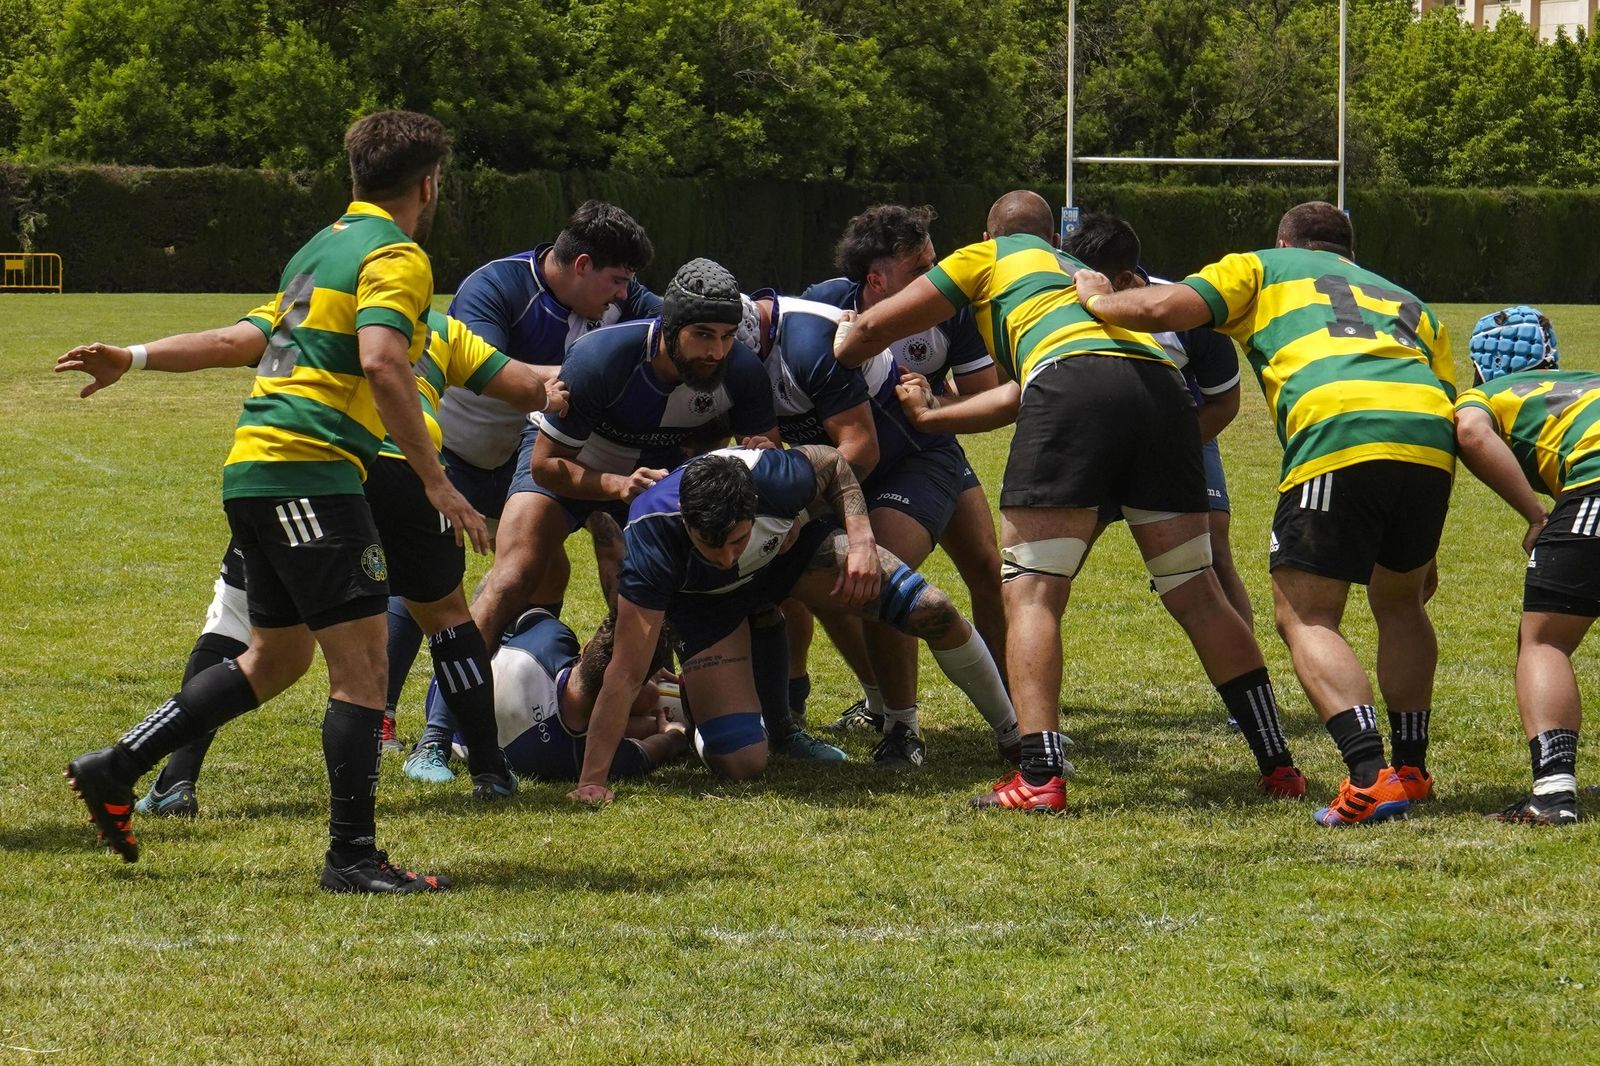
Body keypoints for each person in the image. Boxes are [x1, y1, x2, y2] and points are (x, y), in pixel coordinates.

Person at [63, 110, 478, 892]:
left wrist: (137, 355)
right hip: (311, 472)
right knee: (362, 670)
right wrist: (434, 479)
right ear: (429, 184)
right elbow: (386, 364)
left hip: (257, 470)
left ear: (356, 177)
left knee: (278, 656)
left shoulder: (320, 250)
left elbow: (238, 341)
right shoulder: (396, 253)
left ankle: (115, 767)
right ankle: (351, 857)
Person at [835, 191, 1304, 814]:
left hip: (1073, 390)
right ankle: (1279, 765)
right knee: (1197, 589)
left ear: (987, 232)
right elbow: (1017, 393)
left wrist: (840, 350)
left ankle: (1039, 777)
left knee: (1030, 590)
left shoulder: (987, 258)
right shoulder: (1072, 273)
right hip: (1162, 392)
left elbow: (873, 326)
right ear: (1056, 235)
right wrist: (934, 417)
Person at [57, 306, 563, 813]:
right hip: (404, 473)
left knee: (249, 630)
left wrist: (134, 356)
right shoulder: (437, 326)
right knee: (443, 620)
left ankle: (177, 781)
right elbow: (522, 382)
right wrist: (578, 377)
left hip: (305, 470)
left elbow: (225, 342)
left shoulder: (309, 303)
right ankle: (487, 772)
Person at [1075, 199, 1456, 827]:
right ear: (1349, 252)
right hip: (1429, 439)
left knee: (1306, 613)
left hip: (1341, 426)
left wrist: (1094, 296)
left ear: (1286, 240)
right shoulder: (1405, 297)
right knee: (1402, 602)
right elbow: (1446, 394)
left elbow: (1161, 308)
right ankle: (1411, 770)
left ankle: (1369, 776)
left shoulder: (1261, 265)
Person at [567, 445, 1016, 804]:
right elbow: (624, 672)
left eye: (739, 539)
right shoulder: (651, 536)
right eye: (710, 545)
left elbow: (835, 462)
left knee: (932, 609)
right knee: (741, 761)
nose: (727, 557)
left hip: (788, 561)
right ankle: (692, 706)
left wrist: (860, 541)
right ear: (686, 521)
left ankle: (1016, 735)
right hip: (707, 607)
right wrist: (592, 780)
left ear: (755, 505)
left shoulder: (774, 478)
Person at [382, 202, 658, 748]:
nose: (625, 296)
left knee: (552, 566)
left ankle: (515, 688)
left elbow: (669, 325)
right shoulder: (497, 285)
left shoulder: (623, 293)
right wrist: (595, 371)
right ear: (581, 265)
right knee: (423, 582)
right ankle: (383, 718)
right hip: (459, 458)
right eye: (616, 281)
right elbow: (486, 370)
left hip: (530, 459)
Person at [736, 291, 1020, 765]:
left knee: (890, 574)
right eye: (916, 267)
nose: (927, 280)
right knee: (811, 577)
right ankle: (864, 706)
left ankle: (948, 728)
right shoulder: (750, 344)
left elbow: (862, 450)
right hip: (838, 474)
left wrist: (797, 512)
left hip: (913, 457)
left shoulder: (809, 342)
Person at [803, 205, 1009, 738]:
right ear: (876, 280)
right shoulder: (823, 308)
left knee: (989, 571)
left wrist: (932, 398)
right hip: (861, 468)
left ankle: (1016, 705)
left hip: (930, 452)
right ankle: (885, 708)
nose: (936, 277)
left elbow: (987, 398)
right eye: (921, 268)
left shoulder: (949, 309)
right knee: (868, 581)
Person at [1060, 219, 1256, 725]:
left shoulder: (1188, 309)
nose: (1082, 289)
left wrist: (1167, 450)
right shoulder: (1062, 298)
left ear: (1125, 281)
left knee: (1212, 548)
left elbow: (1224, 402)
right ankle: (1017, 689)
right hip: (1094, 437)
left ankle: (1249, 699)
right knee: (1051, 560)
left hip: (1180, 434)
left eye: (1095, 281)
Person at [1454, 306, 1594, 824]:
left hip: (1594, 489)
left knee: (1545, 640)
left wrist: (1536, 515)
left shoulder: (1485, 395)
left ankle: (1553, 794)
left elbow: (1470, 432)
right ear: (1551, 354)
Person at [439, 609, 690, 782]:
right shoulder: (588, 756)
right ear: (631, 688)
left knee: (649, 700)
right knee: (652, 702)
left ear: (587, 646)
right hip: (480, 728)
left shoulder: (550, 638)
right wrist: (675, 734)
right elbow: (656, 748)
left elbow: (492, 608)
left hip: (447, 693)